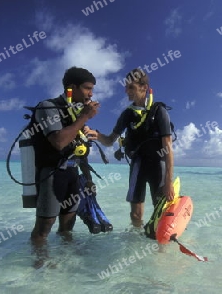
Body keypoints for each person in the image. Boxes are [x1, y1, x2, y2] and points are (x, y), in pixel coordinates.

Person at [85, 68, 174, 228]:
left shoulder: (159, 112)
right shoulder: (127, 114)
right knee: (135, 214)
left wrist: (168, 181)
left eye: (131, 87)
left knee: (159, 211)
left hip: (157, 165)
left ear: (144, 88)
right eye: (126, 87)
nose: (126, 91)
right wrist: (97, 135)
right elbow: (110, 140)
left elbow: (168, 148)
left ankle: (161, 249)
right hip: (138, 166)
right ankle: (136, 246)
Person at [30, 67, 100, 258]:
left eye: (92, 89)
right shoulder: (48, 107)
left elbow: (81, 150)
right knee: (44, 229)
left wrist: (87, 179)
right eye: (87, 88)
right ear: (71, 87)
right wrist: (85, 116)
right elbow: (59, 141)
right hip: (52, 174)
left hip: (72, 175)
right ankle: (39, 269)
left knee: (67, 227)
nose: (91, 93)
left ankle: (67, 267)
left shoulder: (75, 113)